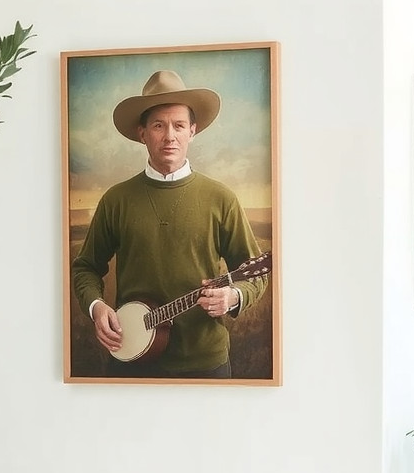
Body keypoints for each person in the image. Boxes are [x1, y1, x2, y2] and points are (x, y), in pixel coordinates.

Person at [71, 70, 267, 379]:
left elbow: (255, 272)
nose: (169, 136)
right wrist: (97, 307)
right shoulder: (116, 199)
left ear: (192, 131)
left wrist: (233, 296)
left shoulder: (221, 198)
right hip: (130, 358)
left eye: (179, 125)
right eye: (159, 125)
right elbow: (85, 267)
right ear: (142, 133)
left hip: (206, 363)